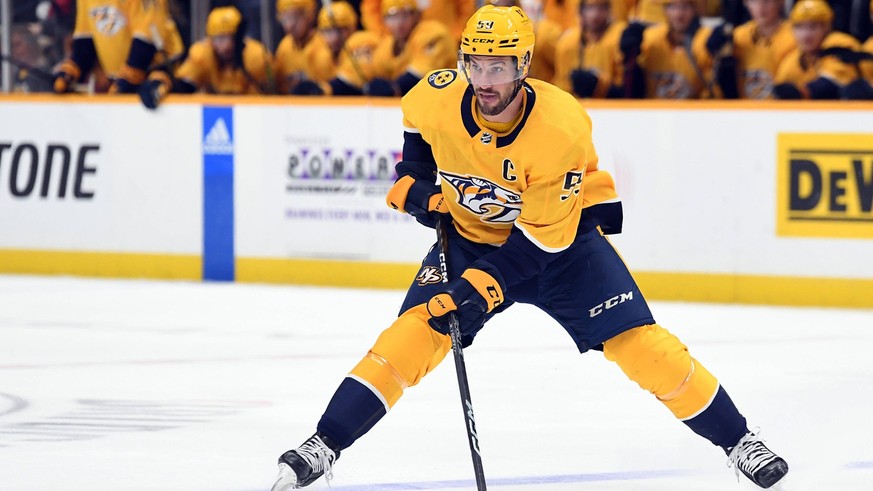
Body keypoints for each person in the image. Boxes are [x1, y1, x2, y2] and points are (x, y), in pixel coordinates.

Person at [271, 5, 790, 491]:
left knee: (644, 349)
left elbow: (543, 238)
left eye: (497, 66)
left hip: (563, 248)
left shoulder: (559, 128)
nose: (483, 80)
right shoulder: (437, 94)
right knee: (408, 338)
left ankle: (739, 439)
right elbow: (418, 132)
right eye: (474, 63)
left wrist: (480, 288)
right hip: (472, 241)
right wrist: (419, 184)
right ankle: (324, 443)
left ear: (522, 65)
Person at [138, 5, 272, 109]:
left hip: (253, 120)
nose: (225, 46)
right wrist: (161, 81)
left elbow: (275, 95)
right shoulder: (202, 54)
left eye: (229, 37)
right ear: (210, 39)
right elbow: (183, 86)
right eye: (218, 38)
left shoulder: (258, 57)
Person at [53, 0, 183, 94]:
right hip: (119, 79)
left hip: (158, 71)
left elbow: (148, 34)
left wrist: (132, 72)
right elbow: (86, 36)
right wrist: (74, 68)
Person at [620, 0, 715, 99]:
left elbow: (713, 90)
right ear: (665, 10)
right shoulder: (650, 39)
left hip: (694, 111)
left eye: (685, 7)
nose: (679, 14)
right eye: (673, 7)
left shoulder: (705, 41)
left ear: (694, 10)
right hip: (653, 111)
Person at [772, 0, 864, 99]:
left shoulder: (840, 43)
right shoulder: (791, 61)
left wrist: (800, 92)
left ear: (826, 28)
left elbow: (831, 85)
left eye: (813, 27)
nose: (806, 35)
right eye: (799, 27)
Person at [705, 0, 796, 99]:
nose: (760, 8)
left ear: (780, 3)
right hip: (743, 109)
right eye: (754, 2)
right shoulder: (738, 36)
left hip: (780, 109)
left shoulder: (795, 37)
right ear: (746, 4)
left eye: (767, 2)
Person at [364, 0, 456, 96]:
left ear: (416, 16)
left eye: (405, 16)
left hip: (446, 97)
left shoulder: (433, 33)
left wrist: (394, 88)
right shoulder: (387, 43)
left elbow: (420, 76)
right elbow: (374, 72)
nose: (398, 24)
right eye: (392, 17)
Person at [553, 0, 627, 97]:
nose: (595, 14)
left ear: (609, 10)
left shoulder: (620, 37)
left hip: (611, 105)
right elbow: (562, 83)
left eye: (601, 8)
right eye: (590, 8)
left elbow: (624, 86)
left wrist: (599, 84)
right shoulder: (567, 43)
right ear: (581, 11)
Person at [272, 0, 322, 93]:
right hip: (291, 105)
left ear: (310, 15)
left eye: (296, 17)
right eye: (285, 19)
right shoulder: (284, 46)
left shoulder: (324, 43)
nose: (290, 25)